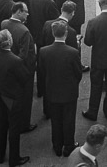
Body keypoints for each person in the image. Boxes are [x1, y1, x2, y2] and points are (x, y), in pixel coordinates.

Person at [39, 20, 83, 157]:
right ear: (66, 34)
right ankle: (69, 145)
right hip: (69, 92)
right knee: (69, 120)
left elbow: (41, 72)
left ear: (53, 33)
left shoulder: (44, 51)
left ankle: (57, 146)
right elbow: (78, 73)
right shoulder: (73, 52)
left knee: (56, 120)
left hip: (52, 90)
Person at [0, 29, 30, 167]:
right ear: (9, 41)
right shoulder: (15, 60)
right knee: (14, 128)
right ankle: (14, 159)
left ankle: (0, 155)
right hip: (12, 98)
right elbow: (24, 78)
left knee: (0, 125)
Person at [0, 2, 37, 133]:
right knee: (26, 98)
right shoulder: (24, 31)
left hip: (7, 68)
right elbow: (24, 55)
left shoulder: (4, 23)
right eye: (26, 11)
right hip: (23, 70)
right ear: (19, 12)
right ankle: (24, 124)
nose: (28, 14)